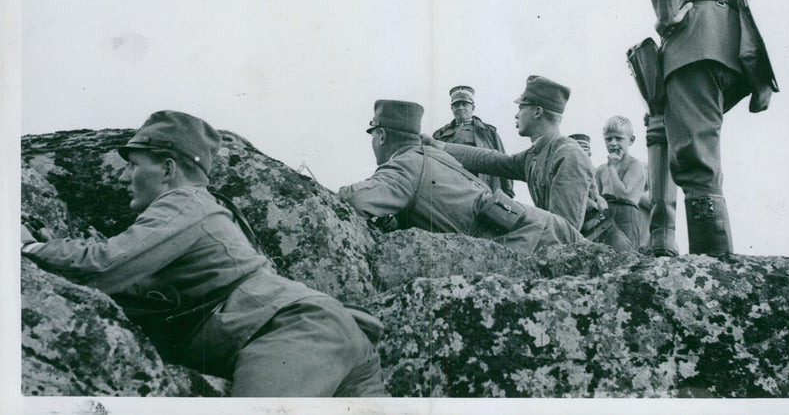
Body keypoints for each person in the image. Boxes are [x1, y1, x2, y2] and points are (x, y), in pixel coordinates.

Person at [21, 110, 387, 397]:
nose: (122, 178)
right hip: (328, 335)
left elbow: (104, 265)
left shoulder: (183, 202)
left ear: (167, 169)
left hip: (297, 334)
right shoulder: (206, 209)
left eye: (133, 165)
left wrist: (29, 248)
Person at [643, 0, 777, 255]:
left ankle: (713, 265)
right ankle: (663, 244)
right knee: (675, 133)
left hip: (693, 49)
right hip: (732, 55)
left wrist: (667, 17)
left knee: (695, 155)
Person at [338, 100, 584, 252]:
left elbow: (354, 200)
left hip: (534, 242)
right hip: (547, 228)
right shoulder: (436, 157)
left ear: (381, 135)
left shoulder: (404, 167)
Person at [423, 76, 634, 252]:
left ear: (537, 111)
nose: (516, 114)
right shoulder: (538, 153)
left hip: (605, 254)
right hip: (582, 249)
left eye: (521, 107)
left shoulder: (569, 156)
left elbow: (564, 231)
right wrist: (440, 146)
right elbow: (493, 160)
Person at [432, 86, 514, 198]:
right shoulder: (440, 134)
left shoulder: (488, 132)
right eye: (456, 105)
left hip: (483, 189)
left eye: (464, 104)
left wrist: (508, 192)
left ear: (473, 108)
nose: (460, 108)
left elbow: (502, 161)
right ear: (452, 109)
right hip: (451, 190)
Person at [595, 116, 647, 250]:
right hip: (606, 215)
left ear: (631, 140)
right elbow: (597, 196)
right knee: (604, 254)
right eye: (608, 139)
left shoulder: (635, 164)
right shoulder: (601, 170)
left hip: (627, 214)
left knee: (626, 255)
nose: (613, 143)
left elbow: (623, 194)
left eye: (618, 138)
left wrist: (612, 167)